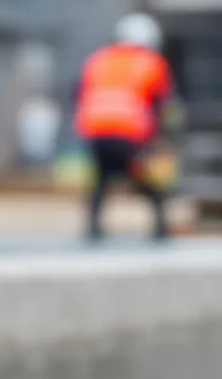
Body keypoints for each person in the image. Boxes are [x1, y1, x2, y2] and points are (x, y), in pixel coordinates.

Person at [74, 12, 178, 243]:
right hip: (130, 131)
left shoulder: (98, 59)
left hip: (95, 130)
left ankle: (93, 228)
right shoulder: (152, 63)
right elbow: (163, 104)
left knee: (102, 178)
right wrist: (165, 135)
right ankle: (160, 227)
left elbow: (79, 94)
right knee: (144, 177)